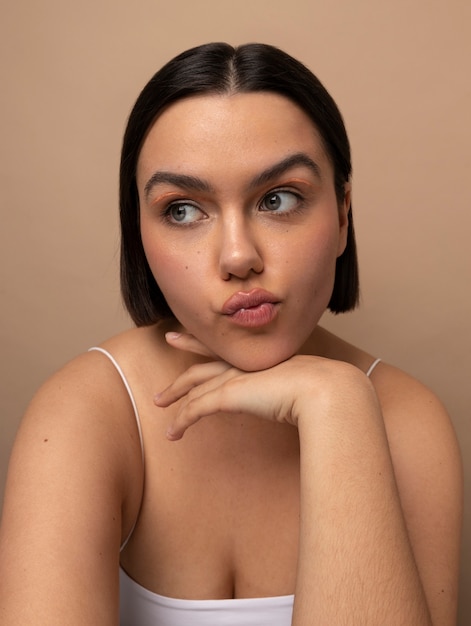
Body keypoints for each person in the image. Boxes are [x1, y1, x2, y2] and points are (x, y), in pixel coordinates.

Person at [0, 42, 462, 625]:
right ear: (138, 236)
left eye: (278, 199)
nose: (239, 257)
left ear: (343, 215)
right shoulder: (88, 412)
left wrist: (337, 406)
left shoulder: (407, 424)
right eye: (184, 211)